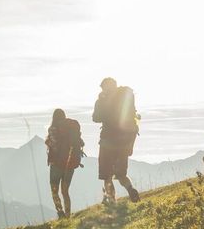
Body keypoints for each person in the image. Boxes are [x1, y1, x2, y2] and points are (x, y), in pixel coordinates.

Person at [93, 77, 140, 205]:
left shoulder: (102, 100)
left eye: (103, 87)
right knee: (121, 174)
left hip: (107, 142)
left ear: (105, 86)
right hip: (123, 142)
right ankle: (130, 189)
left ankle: (112, 201)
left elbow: (95, 117)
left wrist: (101, 106)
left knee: (107, 175)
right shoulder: (125, 97)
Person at [45, 108, 84, 218]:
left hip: (56, 164)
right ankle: (68, 215)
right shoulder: (71, 129)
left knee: (54, 191)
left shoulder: (53, 129)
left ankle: (60, 212)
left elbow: (54, 145)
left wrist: (47, 142)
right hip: (70, 164)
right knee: (65, 192)